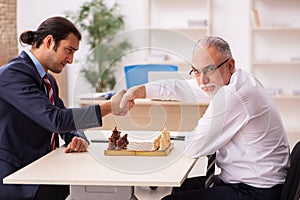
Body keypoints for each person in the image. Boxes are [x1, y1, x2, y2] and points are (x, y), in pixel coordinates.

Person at [120, 36, 290, 200]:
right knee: (182, 187)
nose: (202, 80)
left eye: (209, 69)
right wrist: (141, 90)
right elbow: (183, 87)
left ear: (230, 65)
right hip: (250, 180)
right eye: (196, 71)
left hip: (256, 191)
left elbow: (194, 147)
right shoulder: (237, 79)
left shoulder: (233, 95)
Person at [0, 16, 129, 200]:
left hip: (41, 168)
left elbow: (67, 120)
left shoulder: (48, 80)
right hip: (15, 176)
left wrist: (78, 137)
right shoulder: (12, 75)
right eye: (68, 50)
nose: (70, 60)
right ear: (49, 41)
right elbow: (56, 120)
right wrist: (109, 107)